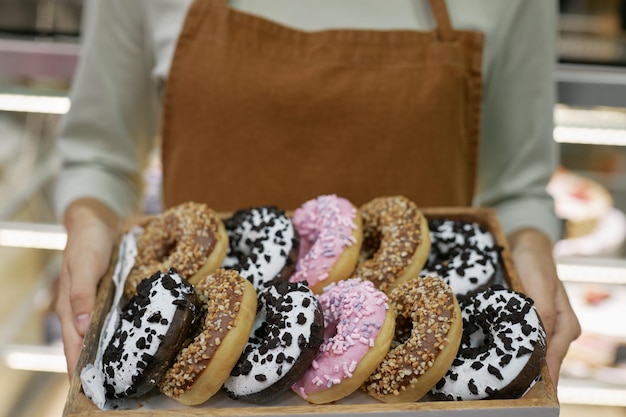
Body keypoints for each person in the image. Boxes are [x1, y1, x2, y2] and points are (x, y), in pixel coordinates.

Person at [54, 0, 580, 389]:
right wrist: (89, 226)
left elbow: (517, 187)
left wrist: (530, 248)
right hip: (195, 379)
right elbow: (99, 157)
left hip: (426, 390)